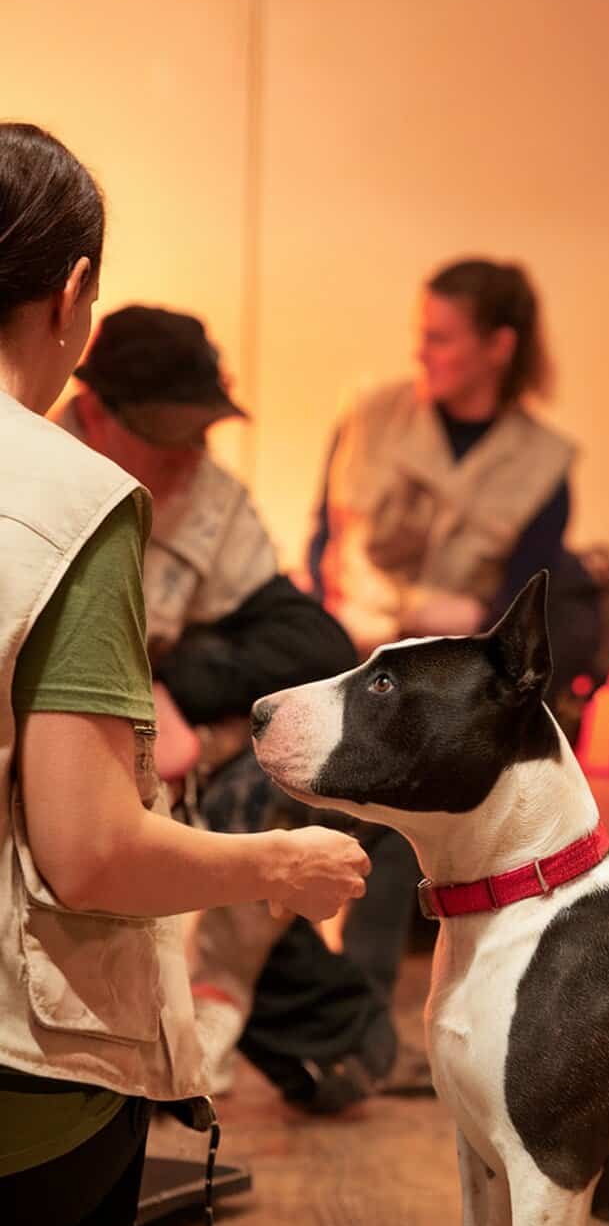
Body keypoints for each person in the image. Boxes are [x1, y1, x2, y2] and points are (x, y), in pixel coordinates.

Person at [0, 122, 369, 1226]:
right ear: (71, 298)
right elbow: (91, 851)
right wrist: (272, 862)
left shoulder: (178, 493)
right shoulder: (68, 494)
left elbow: (297, 627)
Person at [59, 306, 428, 1112]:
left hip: (181, 775)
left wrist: (175, 680)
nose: (190, 459)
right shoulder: (37, 485)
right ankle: (329, 1033)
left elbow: (310, 641)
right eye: (168, 437)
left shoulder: (209, 500)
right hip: (71, 789)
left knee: (359, 765)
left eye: (202, 435)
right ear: (94, 412)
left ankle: (300, 1022)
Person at [304, 258, 609, 723]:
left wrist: (475, 618)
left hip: (455, 683)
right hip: (345, 657)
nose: (419, 353)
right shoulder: (367, 418)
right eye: (421, 334)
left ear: (499, 347)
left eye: (440, 339)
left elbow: (520, 607)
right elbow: (321, 539)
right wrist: (325, 617)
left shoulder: (543, 465)